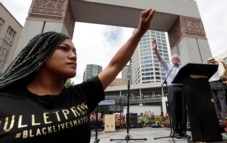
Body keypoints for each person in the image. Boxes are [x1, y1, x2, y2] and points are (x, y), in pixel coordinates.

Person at [0, 9, 156, 142]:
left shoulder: (81, 95)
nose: (73, 55)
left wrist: (140, 31)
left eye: (75, 51)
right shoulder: (5, 100)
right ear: (41, 54)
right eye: (64, 49)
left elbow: (114, 66)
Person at [152, 39, 187, 138]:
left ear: (179, 60)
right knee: (175, 110)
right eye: (174, 57)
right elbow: (160, 59)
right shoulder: (168, 66)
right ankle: (176, 131)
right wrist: (155, 50)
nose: (175, 58)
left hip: (182, 88)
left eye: (177, 57)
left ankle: (183, 131)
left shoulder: (182, 67)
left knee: (183, 110)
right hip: (172, 88)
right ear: (171, 60)